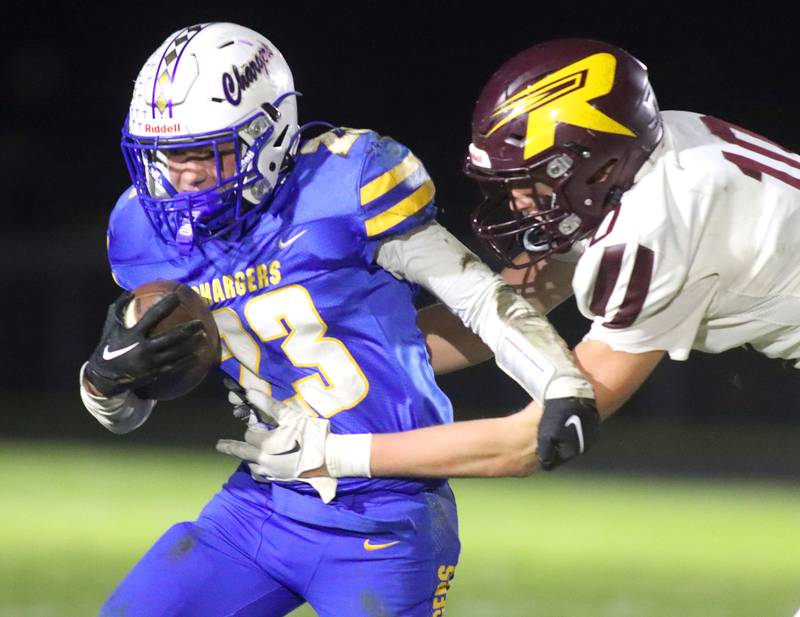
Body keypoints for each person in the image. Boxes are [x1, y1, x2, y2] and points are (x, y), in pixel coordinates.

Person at [79, 23, 597, 616]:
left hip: (382, 516)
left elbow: (477, 296)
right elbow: (124, 413)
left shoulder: (343, 181)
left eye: (202, 151)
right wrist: (104, 377)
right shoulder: (144, 229)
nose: (181, 176)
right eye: (167, 155)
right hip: (261, 503)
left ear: (264, 133)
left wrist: (559, 381)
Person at [216, 37, 800, 484]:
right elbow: (510, 307)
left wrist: (332, 456)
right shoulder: (657, 151)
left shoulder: (653, 229)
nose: (519, 202)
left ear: (596, 164)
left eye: (532, 181)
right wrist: (316, 362)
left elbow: (536, 438)